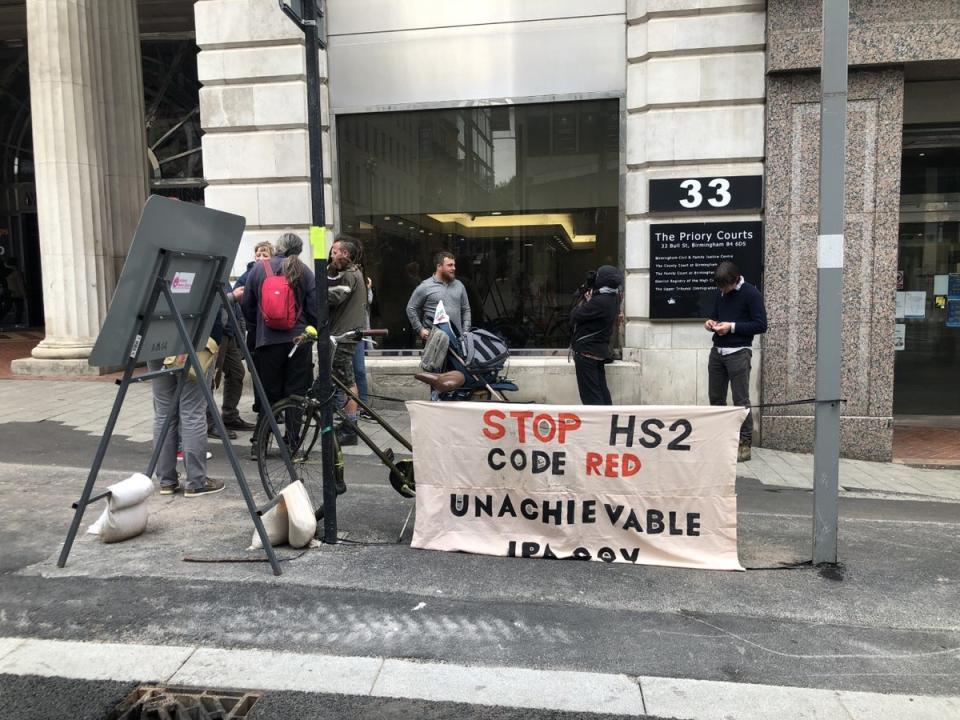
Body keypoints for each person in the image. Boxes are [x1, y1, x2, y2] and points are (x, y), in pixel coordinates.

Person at [240, 232, 317, 456]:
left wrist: (260, 327)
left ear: (277, 247)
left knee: (268, 393)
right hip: (298, 341)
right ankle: (292, 443)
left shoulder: (259, 269)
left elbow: (247, 305)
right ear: (299, 250)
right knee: (296, 393)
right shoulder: (305, 272)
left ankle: (260, 444)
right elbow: (314, 309)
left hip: (268, 342)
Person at [150, 319, 225, 497]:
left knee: (163, 413)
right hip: (193, 337)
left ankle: (166, 481)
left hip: (155, 339)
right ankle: (196, 481)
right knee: (192, 412)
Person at [704, 260, 768, 462]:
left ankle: (744, 442)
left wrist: (731, 327)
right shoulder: (721, 292)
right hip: (718, 352)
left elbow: (761, 325)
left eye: (725, 287)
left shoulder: (751, 294)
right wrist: (710, 323)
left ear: (734, 280)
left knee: (741, 400)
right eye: (720, 288)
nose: (722, 291)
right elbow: (715, 315)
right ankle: (719, 440)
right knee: (716, 398)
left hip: (739, 352)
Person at [327, 235, 367, 446]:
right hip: (346, 331)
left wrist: (316, 291)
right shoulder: (353, 272)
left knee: (346, 380)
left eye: (334, 251)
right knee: (343, 379)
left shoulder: (349, 275)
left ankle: (350, 427)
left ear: (345, 254)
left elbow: (334, 297)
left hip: (345, 334)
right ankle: (347, 422)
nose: (331, 255)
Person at [570, 265, 623, 405]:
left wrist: (587, 301)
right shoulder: (614, 297)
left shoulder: (599, 302)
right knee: (601, 389)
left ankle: (599, 424)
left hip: (587, 353)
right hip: (598, 352)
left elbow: (574, 316)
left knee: (591, 395)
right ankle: (608, 418)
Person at [406, 251, 472, 342]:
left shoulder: (459, 285)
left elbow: (466, 309)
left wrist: (465, 331)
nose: (454, 268)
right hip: (433, 340)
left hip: (457, 340)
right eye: (450, 265)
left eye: (454, 265)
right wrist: (420, 329)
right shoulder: (425, 286)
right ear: (439, 266)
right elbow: (411, 308)